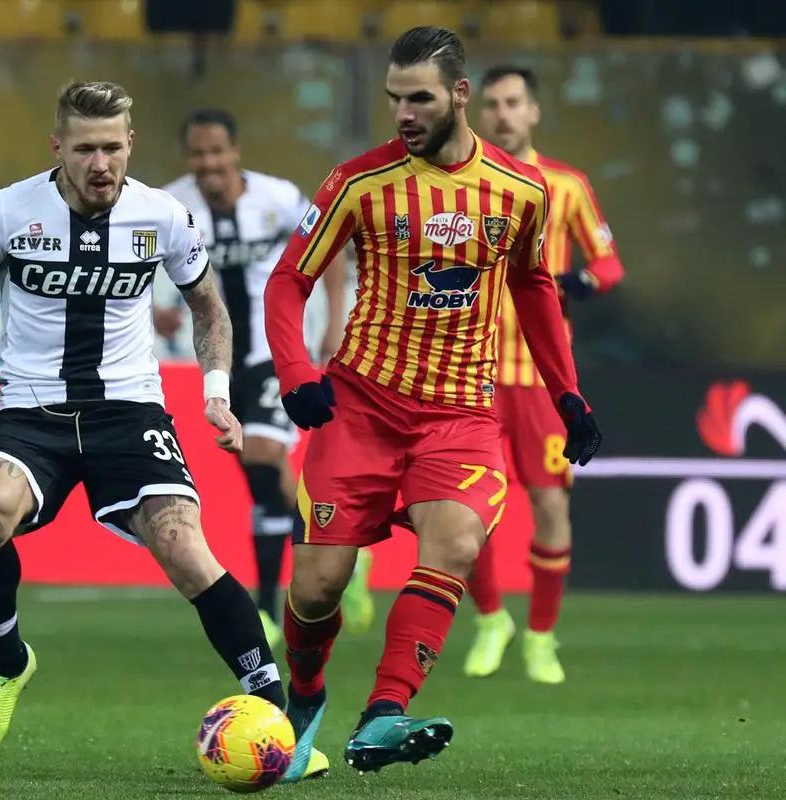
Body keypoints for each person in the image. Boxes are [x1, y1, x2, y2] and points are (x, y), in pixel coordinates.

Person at [0, 81, 324, 777]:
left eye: (112, 147)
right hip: (31, 410)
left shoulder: (162, 215)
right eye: (85, 148)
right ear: (57, 147)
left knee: (184, 547)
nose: (100, 162)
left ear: (131, 144)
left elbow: (208, 309)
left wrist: (215, 393)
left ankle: (282, 722)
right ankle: (7, 664)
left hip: (129, 409)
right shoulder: (10, 211)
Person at [262, 28, 603, 777]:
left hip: (459, 415)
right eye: (394, 99)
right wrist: (296, 373)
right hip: (360, 409)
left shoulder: (522, 190)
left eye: (419, 97)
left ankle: (383, 713)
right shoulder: (358, 182)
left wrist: (567, 394)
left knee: (454, 543)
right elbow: (289, 280)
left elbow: (533, 286)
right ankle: (306, 693)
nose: (404, 113)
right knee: (316, 589)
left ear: (459, 94)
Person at [159, 109, 371, 650]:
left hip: (277, 351)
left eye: (217, 152)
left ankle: (267, 608)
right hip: (220, 362)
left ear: (235, 152)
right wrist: (157, 312)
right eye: (198, 153)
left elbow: (331, 250)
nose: (208, 163)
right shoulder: (172, 205)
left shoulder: (278, 198)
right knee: (263, 477)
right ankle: (341, 546)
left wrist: (335, 322)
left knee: (260, 456)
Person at [465, 65, 626, 684]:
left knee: (550, 504)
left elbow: (608, 264)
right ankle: (490, 621)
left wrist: (578, 281)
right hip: (472, 373)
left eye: (514, 103)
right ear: (480, 113)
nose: (502, 113)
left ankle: (539, 637)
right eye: (493, 104)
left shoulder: (566, 184)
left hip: (540, 377)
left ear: (533, 111)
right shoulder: (463, 183)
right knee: (467, 507)